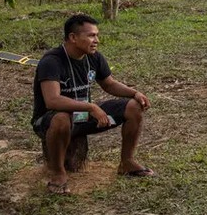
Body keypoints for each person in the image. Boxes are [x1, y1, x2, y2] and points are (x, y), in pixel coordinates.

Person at [31, 14, 154, 194]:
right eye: (91, 36)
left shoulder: (93, 57)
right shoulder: (52, 61)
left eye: (96, 35)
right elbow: (53, 100)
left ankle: (127, 162)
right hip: (49, 121)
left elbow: (109, 84)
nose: (96, 40)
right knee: (61, 119)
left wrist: (134, 93)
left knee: (133, 106)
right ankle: (58, 173)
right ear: (73, 37)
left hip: (82, 117)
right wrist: (90, 107)